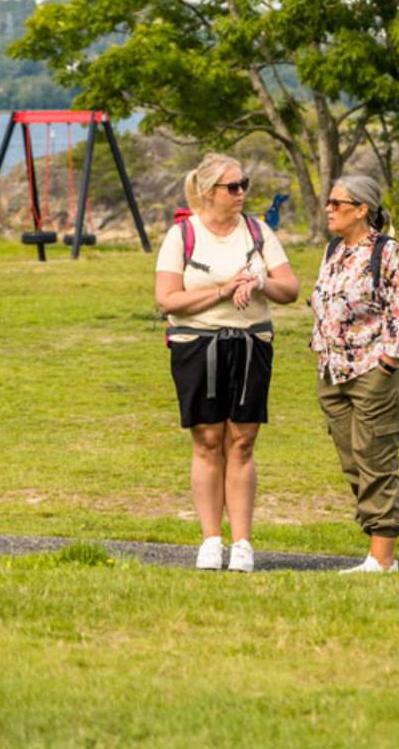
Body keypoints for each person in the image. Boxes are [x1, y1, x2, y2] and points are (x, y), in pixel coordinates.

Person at [154, 153, 298, 572]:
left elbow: (289, 287)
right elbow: (168, 299)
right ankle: (210, 540)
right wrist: (222, 289)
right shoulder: (182, 235)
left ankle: (243, 543)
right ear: (208, 192)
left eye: (244, 185)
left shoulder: (258, 230)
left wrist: (258, 282)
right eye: (233, 187)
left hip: (251, 343)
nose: (241, 194)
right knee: (207, 440)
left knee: (243, 441)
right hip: (197, 345)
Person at [311, 174, 399, 574]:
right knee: (353, 459)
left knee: (376, 458)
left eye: (338, 203)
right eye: (329, 202)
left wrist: (387, 363)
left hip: (374, 372)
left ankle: (382, 557)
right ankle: (376, 543)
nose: (329, 209)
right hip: (333, 372)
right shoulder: (333, 250)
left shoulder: (389, 253)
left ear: (362, 210)